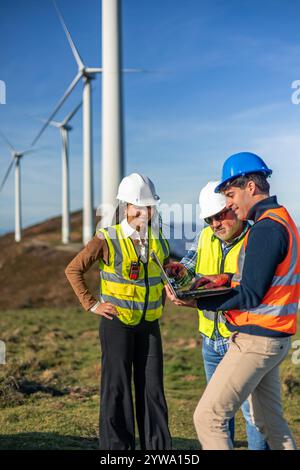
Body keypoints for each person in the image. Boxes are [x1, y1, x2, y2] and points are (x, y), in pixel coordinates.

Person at [166, 152, 299, 450]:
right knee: (270, 423)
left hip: (257, 339)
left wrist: (196, 302)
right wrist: (219, 280)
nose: (228, 204)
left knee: (208, 417)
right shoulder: (281, 219)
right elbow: (258, 280)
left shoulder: (265, 228)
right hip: (275, 335)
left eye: (230, 194)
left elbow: (251, 294)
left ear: (250, 186)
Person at [65, 173, 172, 450]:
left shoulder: (157, 237)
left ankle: (158, 451)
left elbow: (164, 268)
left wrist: (174, 278)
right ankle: (116, 450)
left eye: (148, 207)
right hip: (117, 323)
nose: (143, 212)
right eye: (138, 207)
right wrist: (92, 303)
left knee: (153, 391)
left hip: (149, 324)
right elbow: (73, 269)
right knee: (117, 389)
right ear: (126, 207)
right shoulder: (107, 238)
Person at [165, 181, 267, 450]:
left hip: (243, 338)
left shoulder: (256, 239)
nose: (215, 224)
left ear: (233, 207)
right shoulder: (205, 237)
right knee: (219, 413)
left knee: (254, 416)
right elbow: (189, 264)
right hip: (210, 339)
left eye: (220, 216)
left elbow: (256, 289)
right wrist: (177, 274)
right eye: (209, 219)